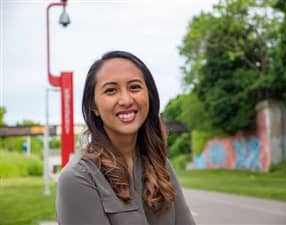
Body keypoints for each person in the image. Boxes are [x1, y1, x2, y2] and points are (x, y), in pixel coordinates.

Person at [56, 50, 196, 225]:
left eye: (134, 87)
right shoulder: (77, 178)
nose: (126, 100)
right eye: (111, 90)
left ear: (149, 96)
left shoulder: (160, 165)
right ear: (94, 106)